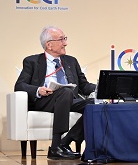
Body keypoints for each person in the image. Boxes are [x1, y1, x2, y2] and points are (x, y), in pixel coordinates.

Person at [15, 26, 96, 160]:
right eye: (61, 39)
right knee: (65, 92)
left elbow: (84, 86)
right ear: (49, 45)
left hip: (70, 100)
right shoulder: (32, 61)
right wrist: (38, 90)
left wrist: (100, 87)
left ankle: (65, 142)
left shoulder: (71, 61)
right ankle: (55, 145)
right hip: (45, 100)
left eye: (65, 39)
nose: (65, 43)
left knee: (96, 104)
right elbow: (19, 85)